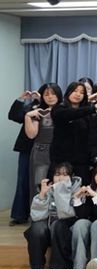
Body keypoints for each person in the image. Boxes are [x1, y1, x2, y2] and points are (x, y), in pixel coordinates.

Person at [24, 161, 82, 269]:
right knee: (37, 228)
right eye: (57, 174)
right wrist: (42, 195)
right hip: (50, 224)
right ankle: (36, 266)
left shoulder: (78, 190)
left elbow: (66, 213)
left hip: (67, 225)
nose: (60, 178)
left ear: (71, 177)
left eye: (65, 175)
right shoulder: (49, 188)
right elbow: (36, 216)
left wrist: (60, 190)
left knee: (58, 225)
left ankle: (60, 266)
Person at [52, 81, 97, 184]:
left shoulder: (87, 113)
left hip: (82, 161)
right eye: (75, 91)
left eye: (82, 92)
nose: (78, 94)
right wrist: (92, 108)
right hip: (62, 159)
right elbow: (71, 114)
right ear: (68, 92)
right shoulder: (59, 109)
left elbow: (91, 135)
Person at [23, 84, 62, 197]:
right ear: (42, 97)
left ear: (59, 95)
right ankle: (38, 208)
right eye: (46, 94)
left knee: (60, 186)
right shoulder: (39, 111)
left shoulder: (65, 110)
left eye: (53, 94)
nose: (50, 97)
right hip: (42, 152)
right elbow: (31, 135)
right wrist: (28, 116)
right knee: (39, 185)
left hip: (60, 151)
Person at [9, 89, 40, 225]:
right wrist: (21, 99)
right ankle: (19, 215)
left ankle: (39, 215)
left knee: (41, 182)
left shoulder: (55, 108)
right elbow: (14, 116)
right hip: (27, 148)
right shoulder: (32, 107)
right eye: (46, 93)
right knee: (23, 180)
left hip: (46, 150)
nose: (49, 96)